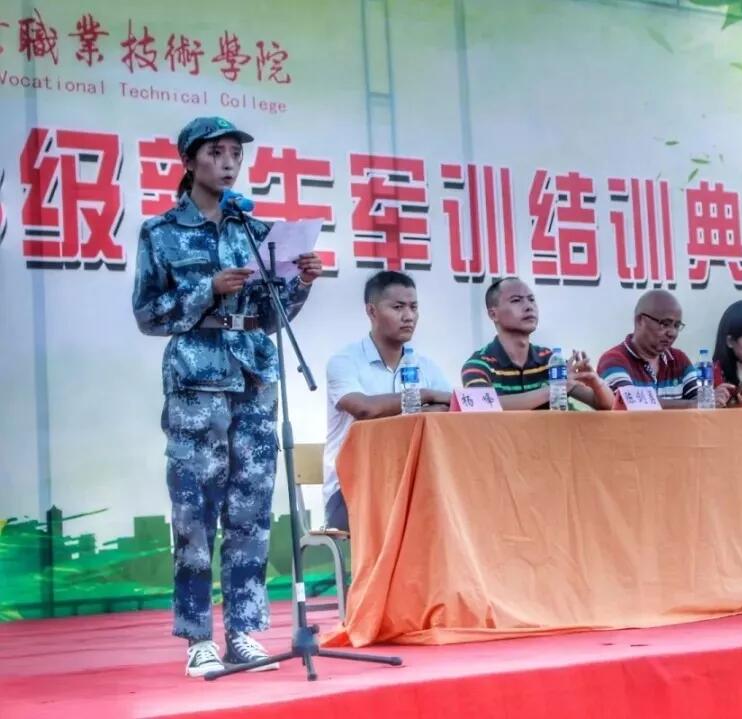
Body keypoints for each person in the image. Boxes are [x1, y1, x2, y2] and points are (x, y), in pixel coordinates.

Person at [132, 117, 323, 677]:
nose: (229, 162)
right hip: (197, 384)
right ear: (190, 161)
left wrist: (300, 283)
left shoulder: (254, 229)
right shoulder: (161, 232)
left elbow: (271, 316)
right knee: (194, 513)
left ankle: (243, 632)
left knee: (251, 513)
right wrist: (206, 289)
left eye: (235, 153)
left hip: (255, 381)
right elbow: (148, 315)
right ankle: (198, 637)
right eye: (216, 152)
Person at [323, 271, 452, 532]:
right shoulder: (345, 361)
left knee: (454, 512)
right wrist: (425, 396)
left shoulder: (426, 366)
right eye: (398, 307)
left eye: (413, 307)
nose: (409, 316)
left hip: (414, 485)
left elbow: (450, 410)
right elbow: (364, 408)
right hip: (353, 490)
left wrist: (434, 404)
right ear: (371, 311)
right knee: (420, 520)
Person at [461, 277, 614, 410]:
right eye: (516, 300)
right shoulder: (479, 364)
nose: (528, 306)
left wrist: (596, 383)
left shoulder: (550, 360)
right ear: (493, 314)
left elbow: (608, 405)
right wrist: (555, 388)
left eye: (531, 299)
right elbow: (481, 405)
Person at [597, 290, 732, 408]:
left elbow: (699, 401)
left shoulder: (678, 360)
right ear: (640, 321)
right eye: (665, 324)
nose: (672, 333)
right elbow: (628, 403)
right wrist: (692, 405)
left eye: (676, 326)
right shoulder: (614, 360)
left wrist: (722, 400)